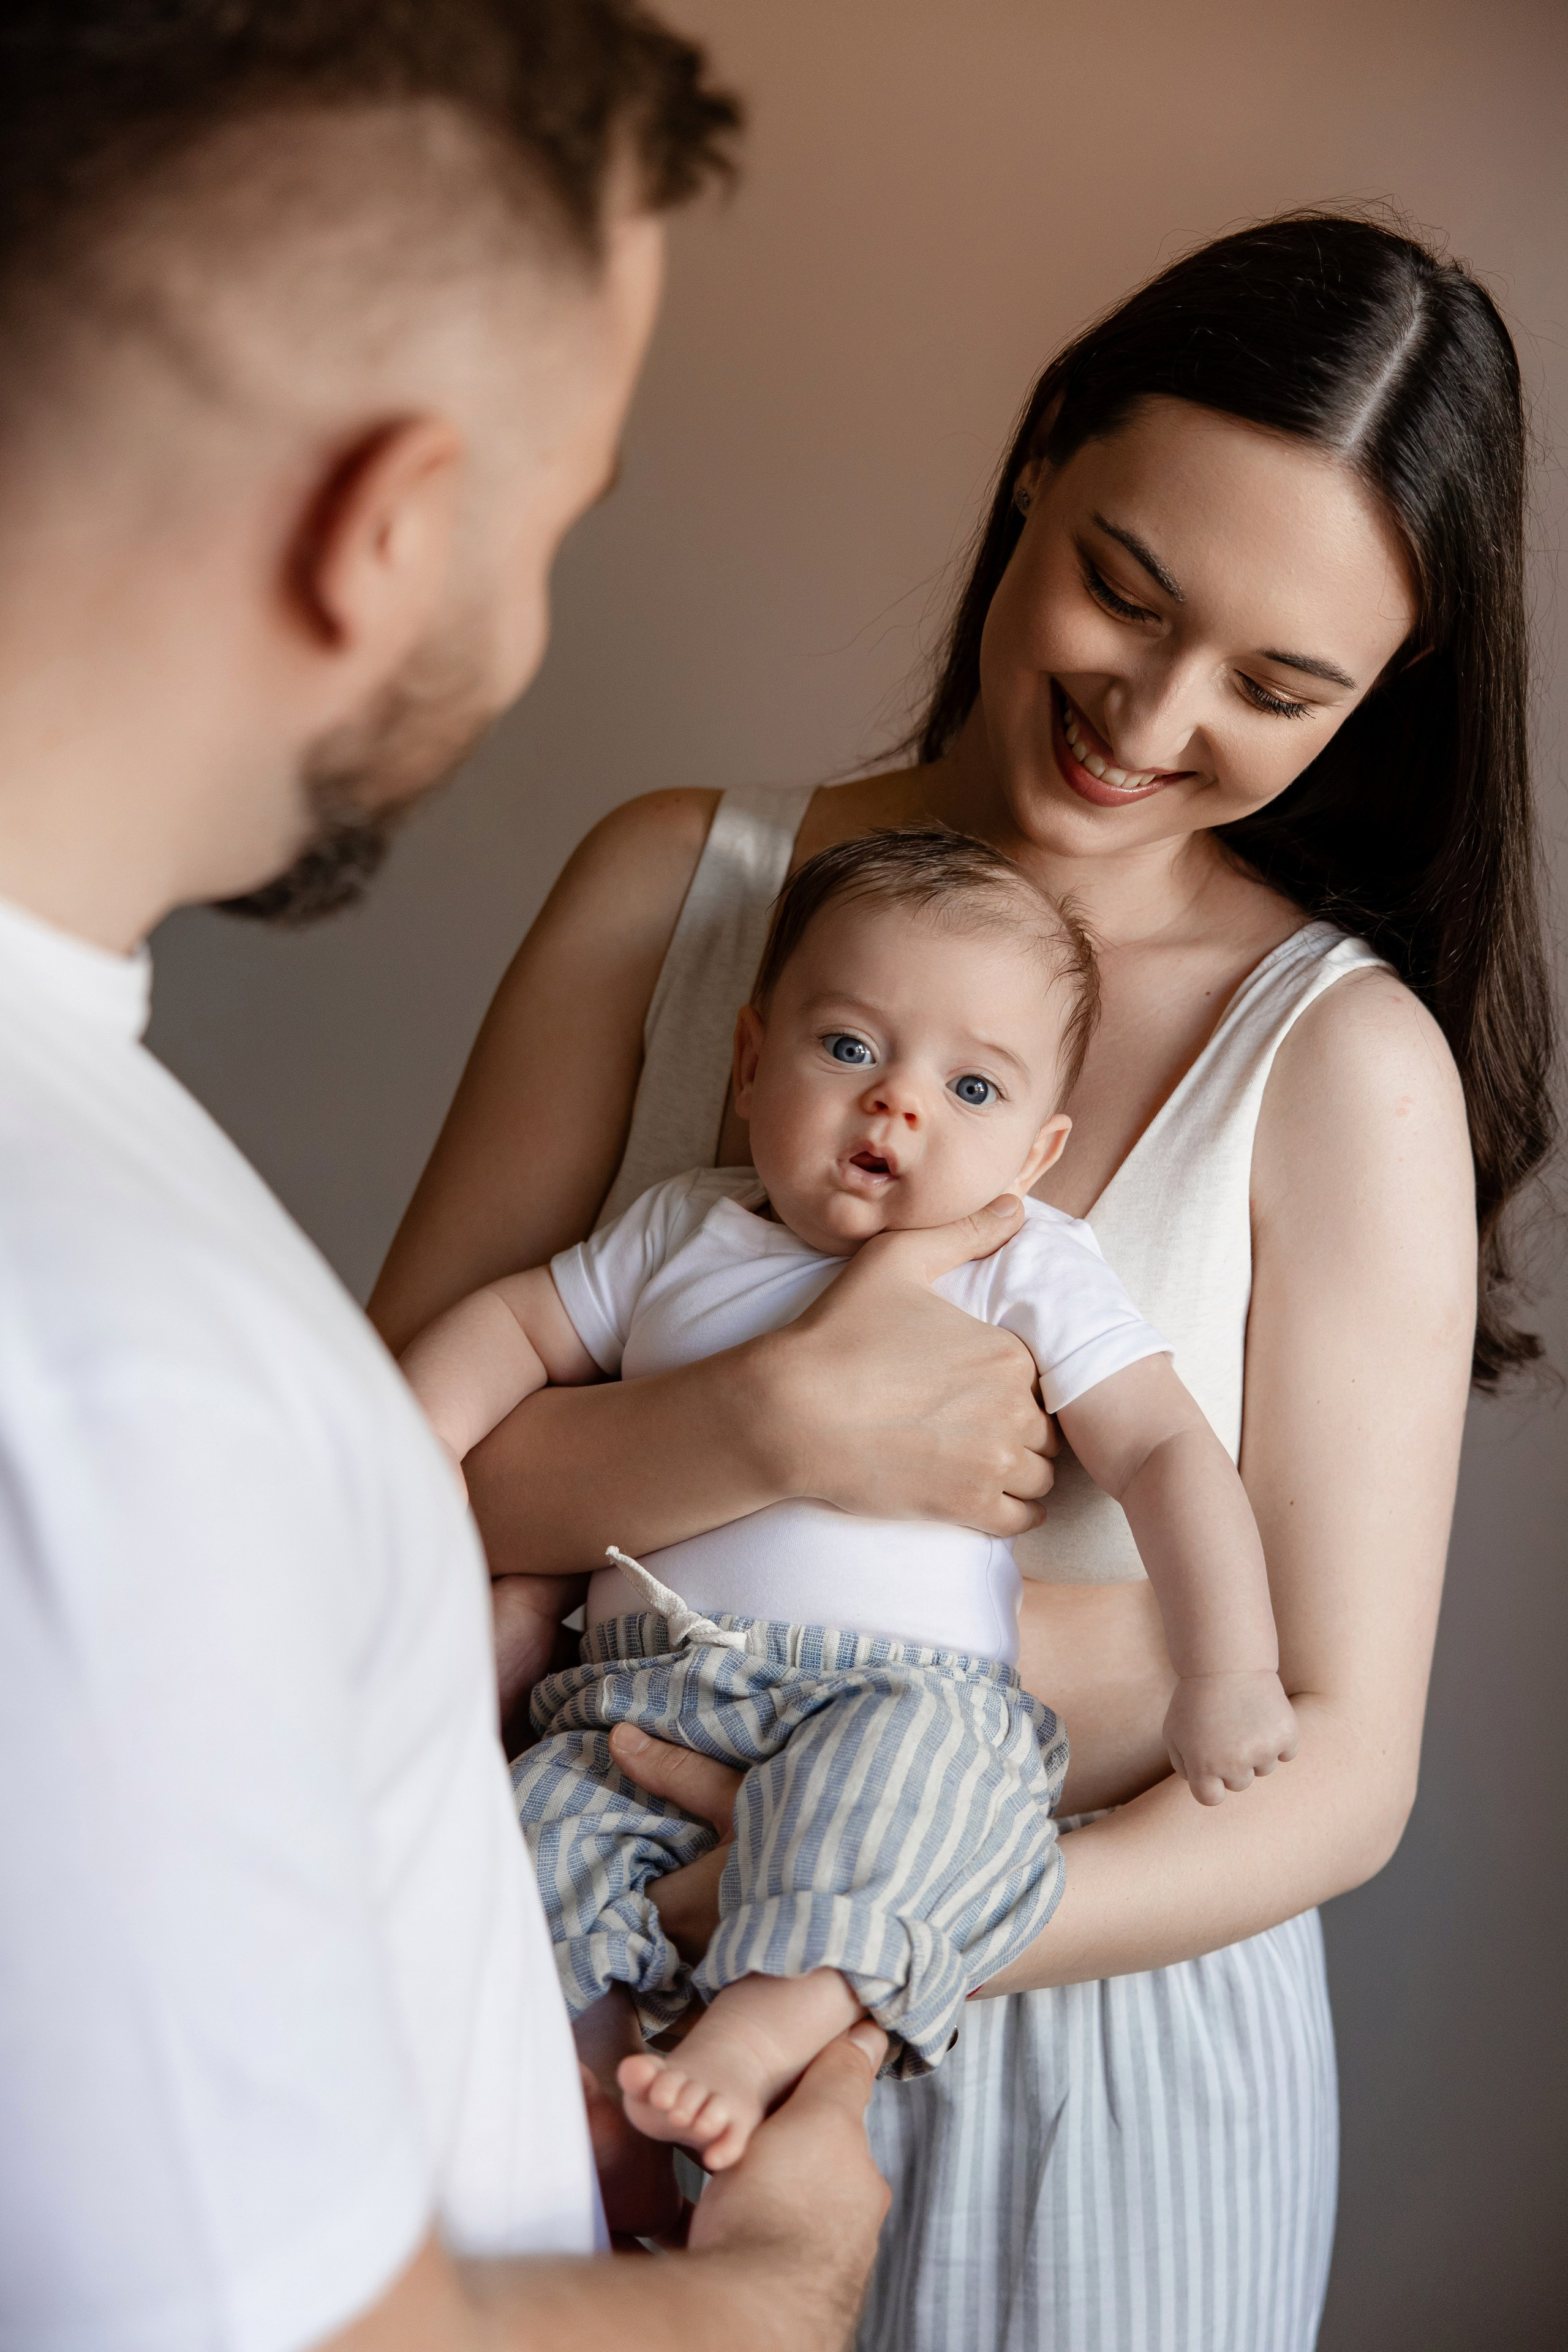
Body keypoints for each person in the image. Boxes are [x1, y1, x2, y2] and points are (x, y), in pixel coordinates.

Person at [371, 213, 1556, 2349]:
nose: (1152, 715)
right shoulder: (679, 894)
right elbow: (369, 1494)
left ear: (1376, 706)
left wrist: (857, 1927)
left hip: (1083, 2048)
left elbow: (1338, 1768)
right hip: (582, 1945)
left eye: (1279, 691)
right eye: (1125, 587)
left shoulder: (1343, 1063)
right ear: (1041, 467)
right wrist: (771, 1426)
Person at [0, 7, 895, 2351]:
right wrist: (779, 2301)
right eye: (562, 512)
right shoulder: (118, 1364)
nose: (528, 620)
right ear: (384, 528)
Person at [399, 824, 1297, 2166]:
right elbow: (513, 1328)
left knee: (908, 1811)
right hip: (639, 1688)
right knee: (534, 1842)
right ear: (754, 1059)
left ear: (1039, 1151)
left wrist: (1224, 1671)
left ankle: (761, 2032)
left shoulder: (1016, 1263)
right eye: (848, 1049)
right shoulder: (679, 1230)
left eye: (972, 1088)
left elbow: (1166, 1452)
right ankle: (586, 2102)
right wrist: (405, 1449)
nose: (897, 1107)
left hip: (901, 1693)